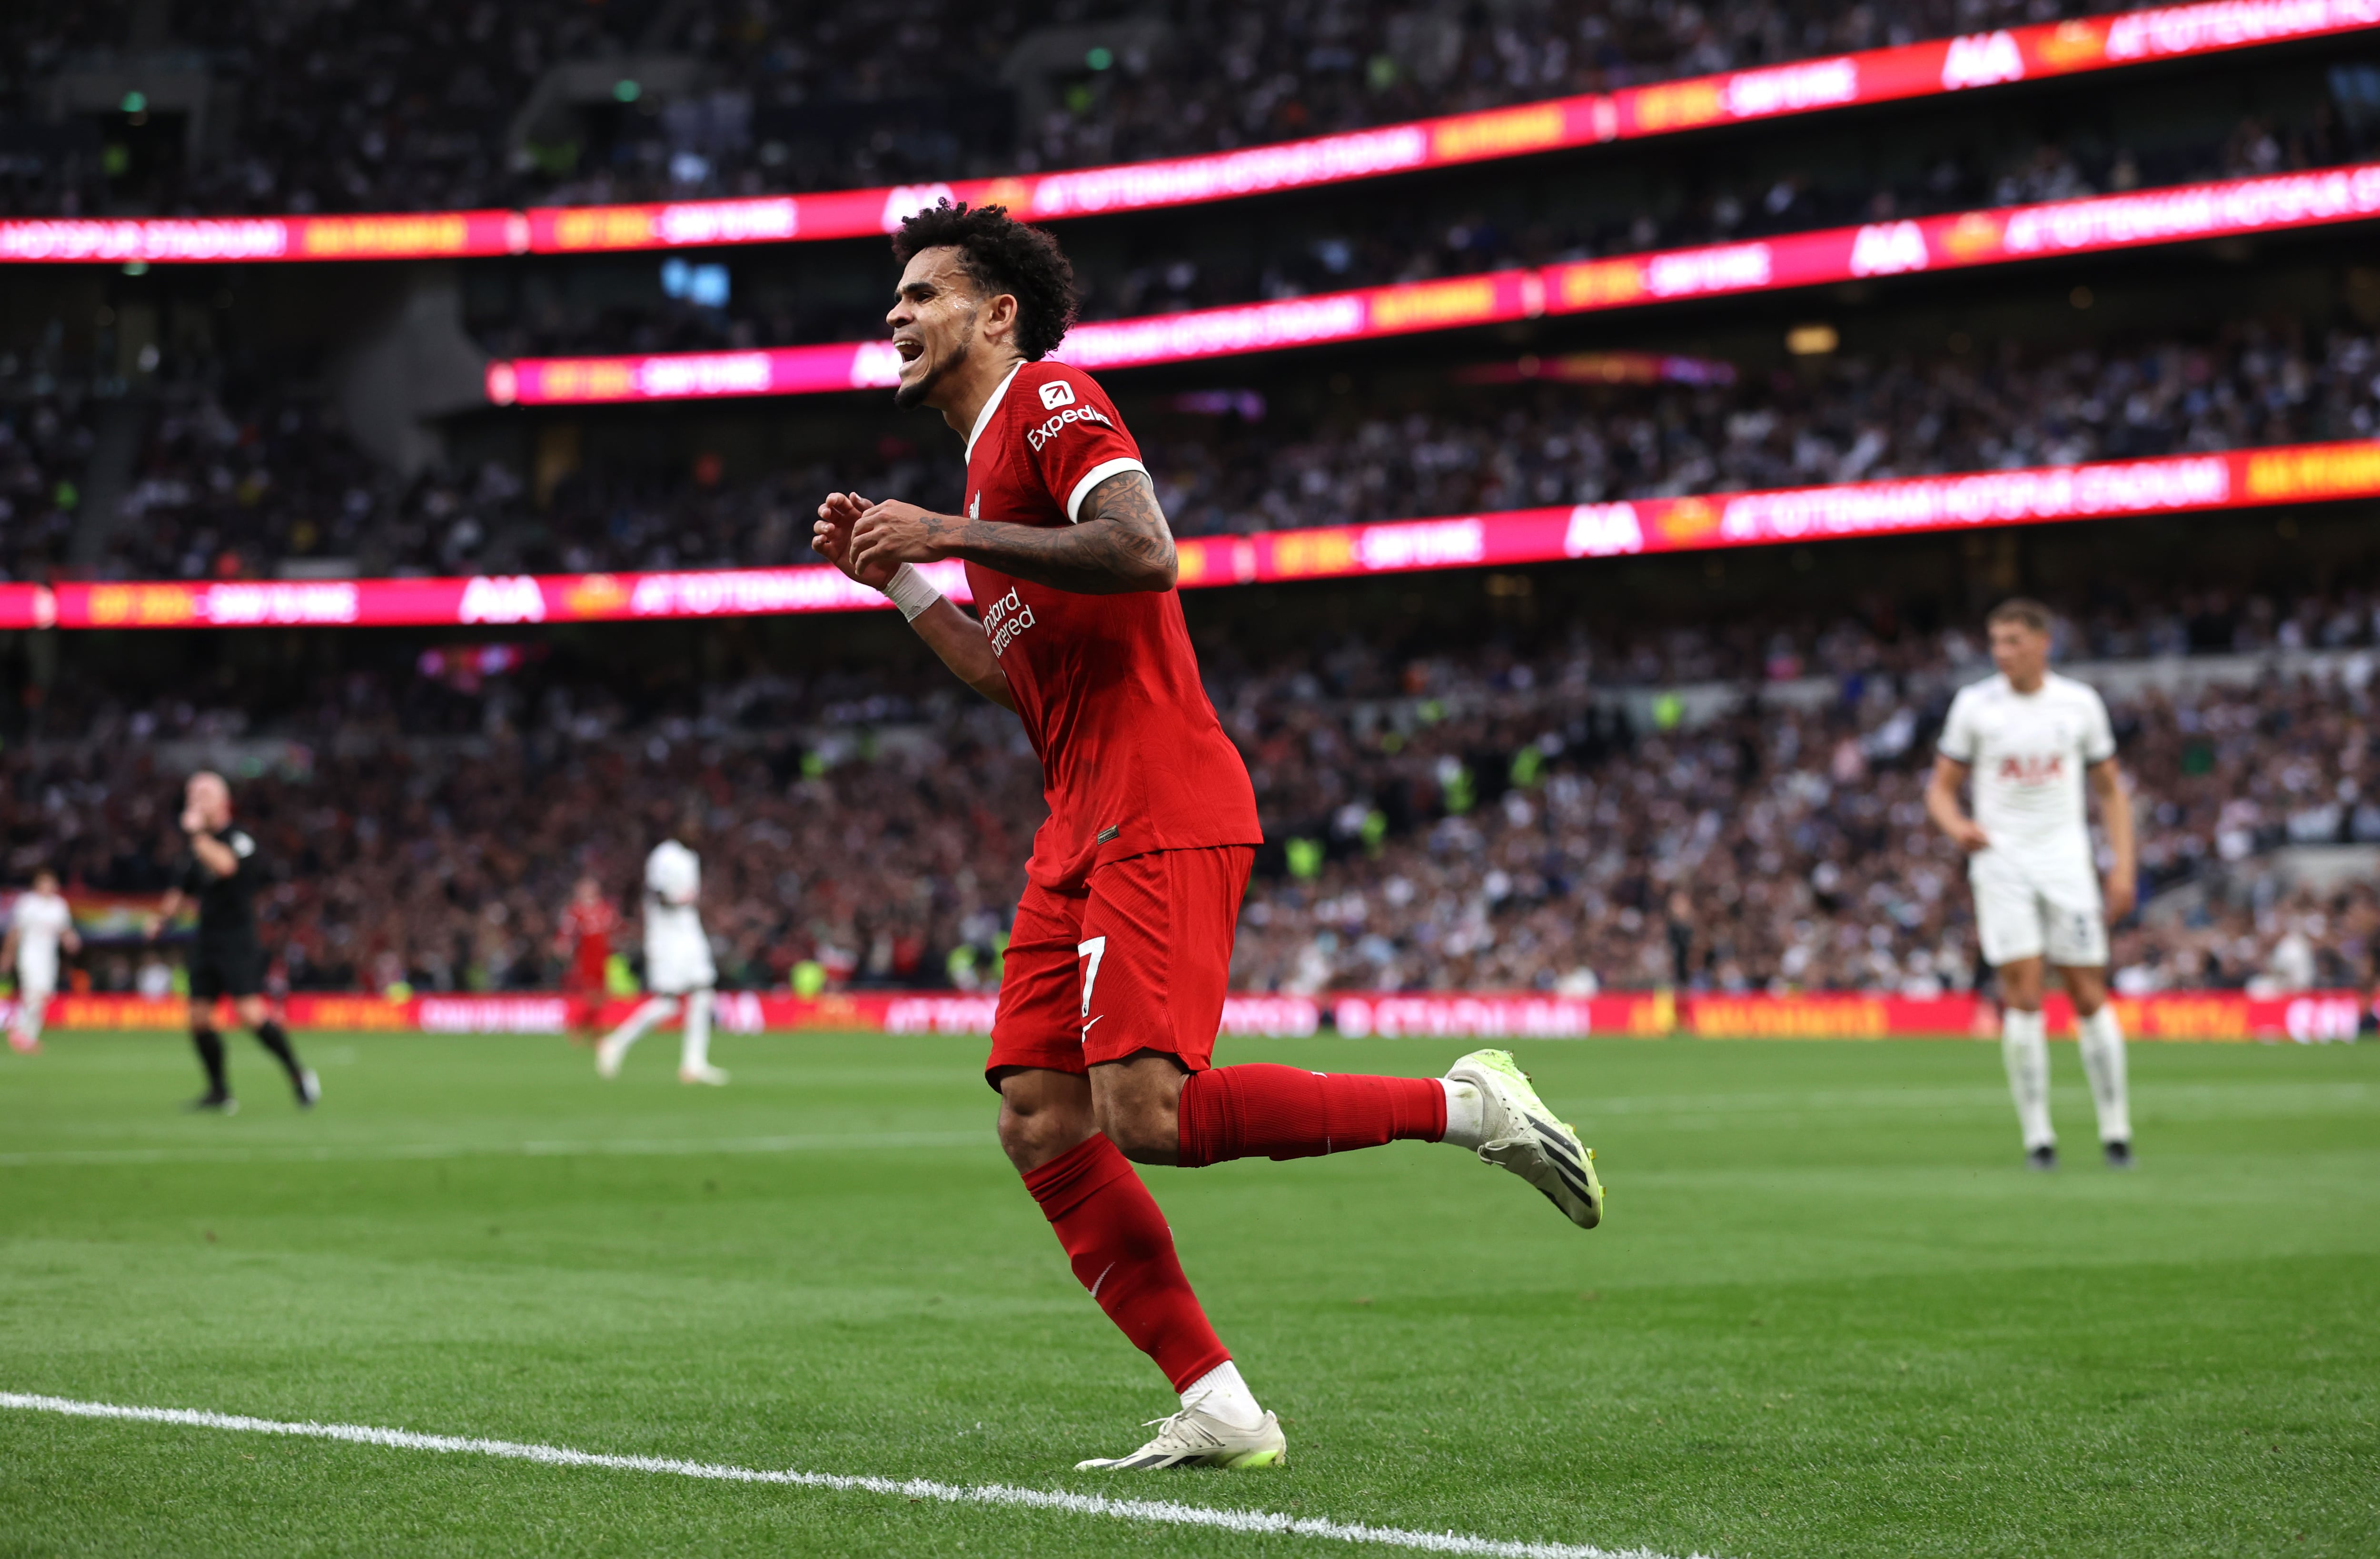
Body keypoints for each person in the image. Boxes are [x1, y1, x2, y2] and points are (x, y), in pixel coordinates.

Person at [812, 200, 1603, 1472]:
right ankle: (1222, 1404)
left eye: (921, 294)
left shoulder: (1054, 399)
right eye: (891, 299)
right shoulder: (978, 471)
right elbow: (1017, 682)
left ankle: (1470, 1105)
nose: (893, 315)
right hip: (1076, 819)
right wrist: (902, 581)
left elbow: (1147, 551)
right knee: (1038, 1114)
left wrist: (948, 536)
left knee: (1150, 1113)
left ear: (997, 313)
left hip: (1162, 800)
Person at [1926, 599, 2136, 1170]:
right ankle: (2038, 1137)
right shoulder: (1973, 705)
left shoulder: (2078, 704)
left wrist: (2122, 867)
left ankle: (2115, 1130)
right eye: (1995, 642)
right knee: (2020, 992)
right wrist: (1956, 826)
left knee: (2086, 990)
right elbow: (1940, 788)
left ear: (2042, 643)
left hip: (2066, 862)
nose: (2001, 653)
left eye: (2013, 641)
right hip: (2001, 863)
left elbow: (2111, 790)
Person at [147, 771, 318, 1114]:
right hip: (207, 938)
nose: (195, 799)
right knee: (198, 1018)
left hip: (238, 939)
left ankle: (298, 1073)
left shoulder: (239, 838)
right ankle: (219, 1092)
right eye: (191, 793)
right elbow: (181, 891)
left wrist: (196, 835)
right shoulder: (195, 848)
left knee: (250, 1014)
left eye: (204, 793)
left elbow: (226, 866)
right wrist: (162, 920)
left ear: (223, 801)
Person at [595, 834, 726, 1085]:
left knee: (703, 994)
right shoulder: (665, 855)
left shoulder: (691, 857)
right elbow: (655, 893)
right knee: (669, 1003)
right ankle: (615, 1044)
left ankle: (694, 1064)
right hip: (666, 937)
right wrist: (678, 901)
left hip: (689, 932)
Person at [3, 869, 79, 1053]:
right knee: (34, 992)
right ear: (37, 886)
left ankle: (27, 1036)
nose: (48, 887)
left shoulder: (59, 905)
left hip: (49, 957)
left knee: (45, 994)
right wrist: (8, 955)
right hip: (30, 954)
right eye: (44, 883)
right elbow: (15, 932)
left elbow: (64, 929)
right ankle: (21, 1033)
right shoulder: (28, 903)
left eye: (51, 883)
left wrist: (70, 939)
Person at [556, 875, 621, 1045]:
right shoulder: (576, 911)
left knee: (602, 997)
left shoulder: (606, 909)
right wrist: (563, 944)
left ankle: (590, 1029)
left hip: (603, 957)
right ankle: (583, 1028)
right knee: (591, 995)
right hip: (586, 957)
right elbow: (567, 931)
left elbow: (616, 928)